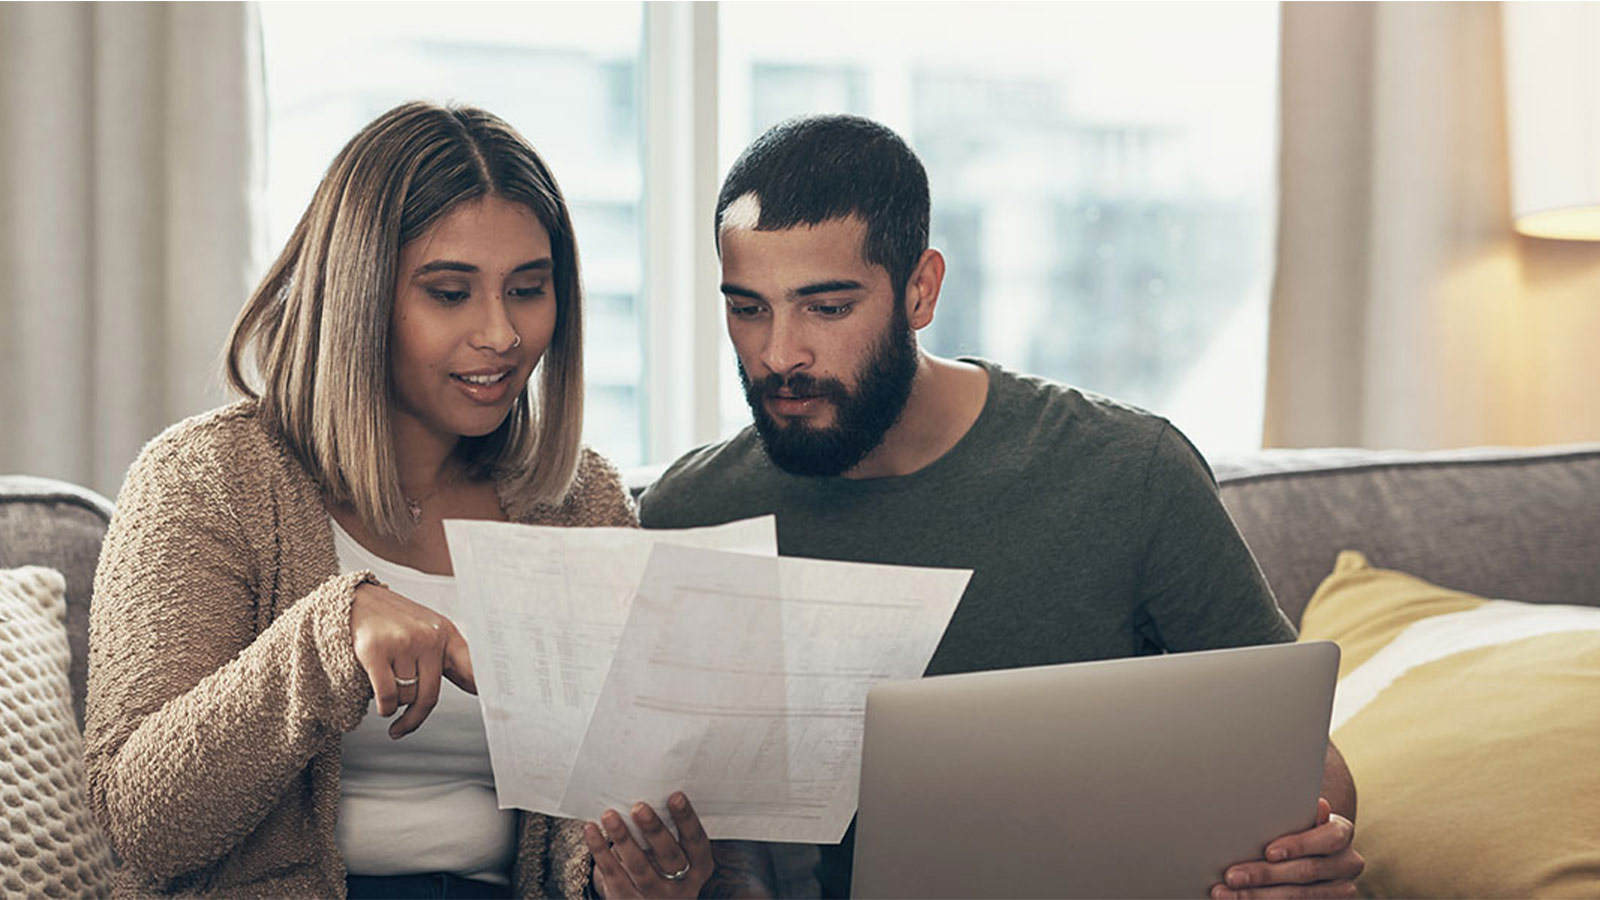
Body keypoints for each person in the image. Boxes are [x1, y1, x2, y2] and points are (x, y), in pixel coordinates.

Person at [639, 114, 1365, 900]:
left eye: (827, 307)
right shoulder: (694, 514)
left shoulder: (1129, 473)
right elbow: (690, 829)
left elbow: (1309, 775)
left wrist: (1301, 860)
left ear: (921, 289)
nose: (780, 355)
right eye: (748, 309)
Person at [85, 102, 718, 899]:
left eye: (528, 289)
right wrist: (328, 637)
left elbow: (580, 811)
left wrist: (614, 877)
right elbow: (143, 822)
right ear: (359, 299)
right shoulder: (204, 479)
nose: (501, 334)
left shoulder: (578, 498)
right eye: (450, 293)